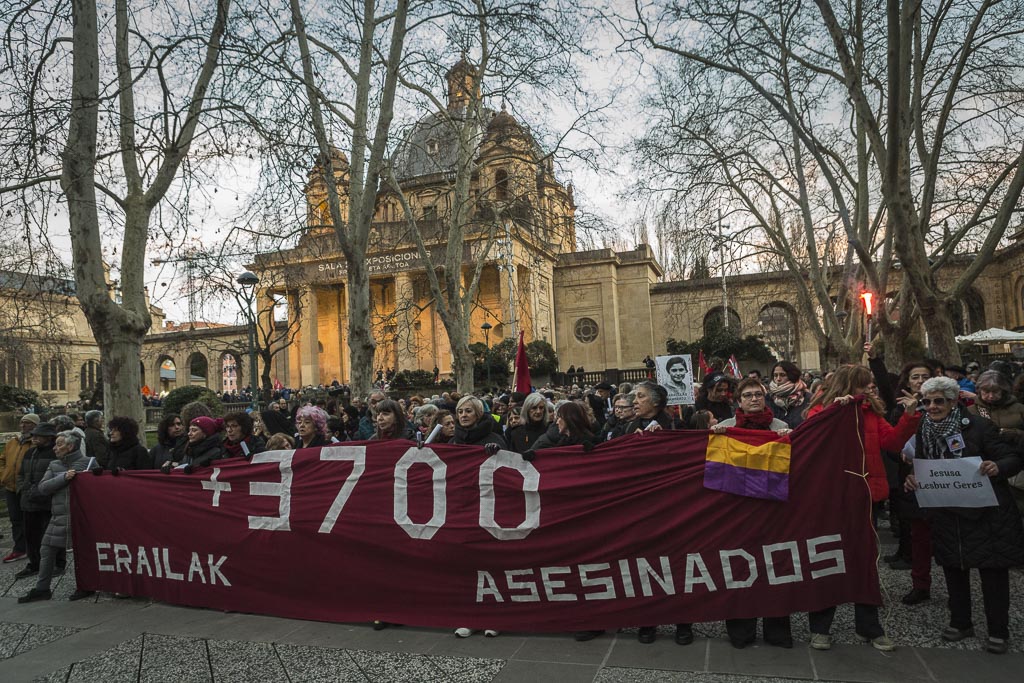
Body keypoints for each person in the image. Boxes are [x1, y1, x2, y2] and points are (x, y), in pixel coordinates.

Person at [804, 364, 920, 652]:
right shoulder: (820, 410)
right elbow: (810, 440)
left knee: (865, 562)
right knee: (828, 559)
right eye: (864, 384)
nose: (871, 388)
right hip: (832, 498)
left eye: (871, 384)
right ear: (847, 387)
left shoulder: (872, 413)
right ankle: (820, 627)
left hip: (866, 495)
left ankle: (868, 627)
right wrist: (836, 413)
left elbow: (892, 442)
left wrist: (908, 417)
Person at [904, 376, 1024, 654]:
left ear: (953, 401)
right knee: (953, 568)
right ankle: (960, 621)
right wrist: (914, 477)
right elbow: (921, 462)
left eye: (938, 401)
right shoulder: (924, 428)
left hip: (987, 513)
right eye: (927, 401)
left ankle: (998, 630)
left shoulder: (979, 426)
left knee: (992, 572)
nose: (932, 407)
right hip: (947, 510)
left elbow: (1013, 458)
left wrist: (997, 466)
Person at [710, 378, 792, 648]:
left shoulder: (780, 427)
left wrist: (791, 441)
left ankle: (777, 630)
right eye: (748, 395)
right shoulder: (725, 429)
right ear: (739, 401)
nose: (754, 399)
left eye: (758, 394)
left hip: (772, 512)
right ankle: (741, 630)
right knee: (739, 570)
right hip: (737, 515)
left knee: (775, 568)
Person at [17, 430, 91, 603]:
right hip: (58, 516)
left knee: (83, 553)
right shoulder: (54, 465)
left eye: (59, 444)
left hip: (80, 518)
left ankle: (86, 586)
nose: (55, 448)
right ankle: (42, 588)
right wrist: (64, 478)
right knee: (46, 549)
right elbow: (43, 488)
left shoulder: (88, 464)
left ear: (70, 446)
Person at [14, 422, 59, 579]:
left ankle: (58, 564)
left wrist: (46, 491)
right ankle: (34, 564)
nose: (35, 438)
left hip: (48, 501)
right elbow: (20, 474)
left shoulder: (56, 453)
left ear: (48, 437)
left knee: (53, 535)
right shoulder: (30, 453)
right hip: (29, 501)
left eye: (38, 435)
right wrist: (22, 489)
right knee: (31, 535)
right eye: (34, 435)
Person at [1, 413, 38, 563]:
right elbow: (2, 459)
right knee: (15, 519)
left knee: (31, 519)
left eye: (27, 423)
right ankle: (20, 549)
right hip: (11, 487)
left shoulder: (36, 443)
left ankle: (33, 548)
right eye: (22, 423)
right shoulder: (12, 442)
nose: (23, 426)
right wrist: (3, 475)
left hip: (27, 488)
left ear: (35, 426)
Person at [767, 361, 810, 428]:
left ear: (792, 376)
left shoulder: (807, 398)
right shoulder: (768, 398)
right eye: (775, 375)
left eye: (782, 375)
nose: (778, 379)